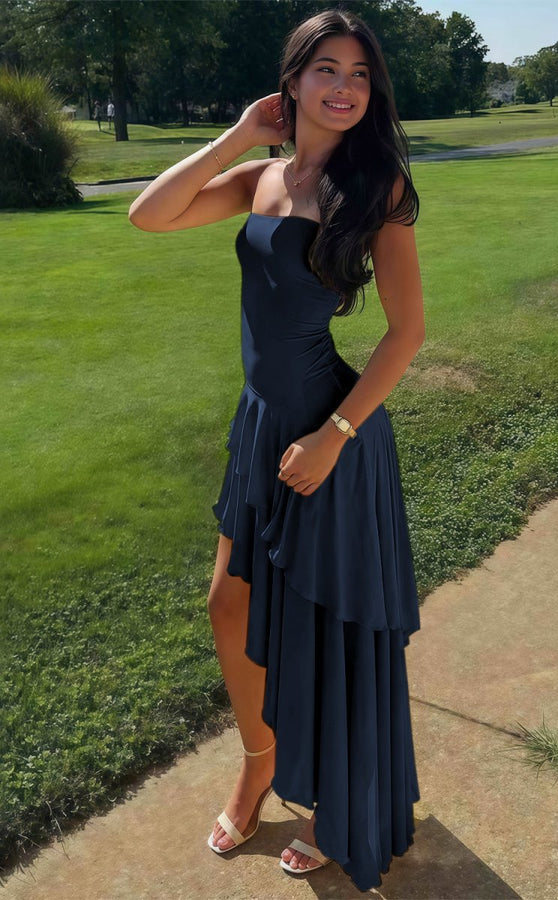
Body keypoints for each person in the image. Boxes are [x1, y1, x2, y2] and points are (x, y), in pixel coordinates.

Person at [128, 7, 425, 893]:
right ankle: (260, 762)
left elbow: (406, 333)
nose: (345, 87)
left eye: (360, 74)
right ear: (292, 80)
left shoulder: (376, 189)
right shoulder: (261, 177)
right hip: (260, 423)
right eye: (326, 68)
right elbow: (149, 214)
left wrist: (335, 437)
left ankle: (337, 802)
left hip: (331, 433)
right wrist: (237, 136)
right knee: (228, 605)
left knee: (328, 629)